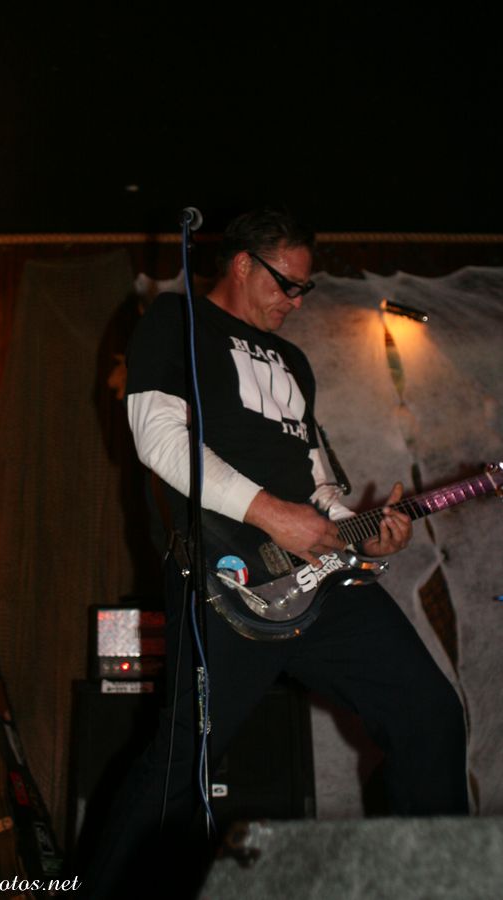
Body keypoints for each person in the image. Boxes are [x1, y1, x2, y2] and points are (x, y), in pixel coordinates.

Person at [79, 209, 468, 898]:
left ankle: (430, 885)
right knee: (184, 764)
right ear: (241, 264)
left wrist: (359, 528)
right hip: (226, 576)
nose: (296, 301)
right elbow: (157, 437)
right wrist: (270, 515)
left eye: (304, 289)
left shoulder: (293, 363)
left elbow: (318, 482)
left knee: (428, 712)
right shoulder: (176, 322)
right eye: (287, 284)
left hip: (320, 576)